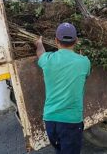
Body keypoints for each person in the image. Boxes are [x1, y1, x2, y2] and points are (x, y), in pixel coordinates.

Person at [35, 22, 91, 154]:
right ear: (76, 41)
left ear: (56, 40)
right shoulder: (84, 62)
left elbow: (40, 53)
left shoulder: (47, 60)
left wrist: (39, 43)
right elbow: (86, 76)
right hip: (71, 121)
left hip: (50, 121)